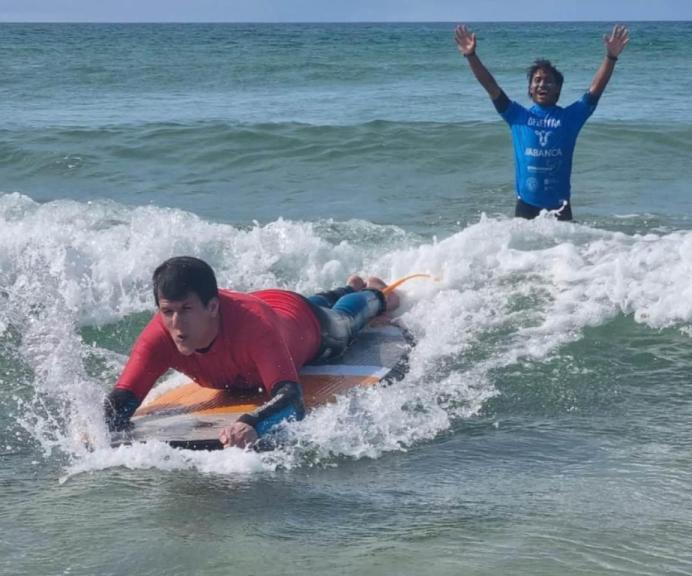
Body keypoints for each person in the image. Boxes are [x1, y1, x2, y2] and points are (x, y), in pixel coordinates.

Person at [103, 256, 399, 448]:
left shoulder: (254, 330)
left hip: (304, 324)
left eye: (186, 310)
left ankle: (375, 293)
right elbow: (123, 400)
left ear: (212, 306)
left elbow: (291, 400)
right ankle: (345, 287)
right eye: (167, 311)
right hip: (271, 308)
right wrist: (98, 426)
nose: (176, 324)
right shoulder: (160, 336)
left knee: (343, 324)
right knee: (318, 302)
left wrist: (253, 423)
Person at [454, 23, 629, 221]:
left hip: (560, 208)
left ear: (557, 89)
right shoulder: (517, 115)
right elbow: (491, 86)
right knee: (523, 253)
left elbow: (594, 91)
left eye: (548, 81)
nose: (542, 84)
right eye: (537, 80)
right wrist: (471, 56)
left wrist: (611, 57)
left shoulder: (570, 118)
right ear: (530, 89)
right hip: (526, 205)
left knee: (566, 252)